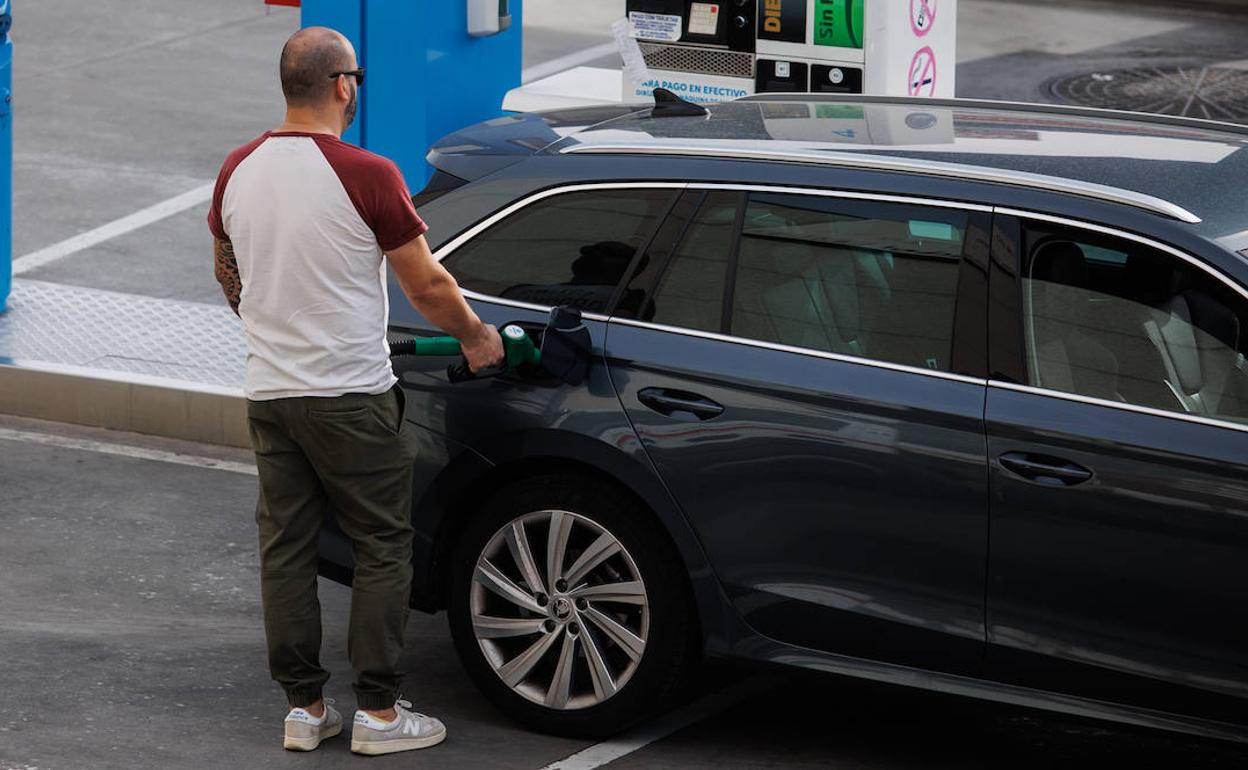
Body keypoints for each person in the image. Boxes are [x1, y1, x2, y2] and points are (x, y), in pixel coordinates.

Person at [207, 25, 503, 756]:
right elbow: (427, 283)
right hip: (349, 394)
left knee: (285, 548)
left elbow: (226, 269)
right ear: (342, 85)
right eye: (357, 80)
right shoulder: (367, 173)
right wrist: (476, 336)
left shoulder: (237, 168)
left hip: (270, 392)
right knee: (380, 544)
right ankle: (376, 711)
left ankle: (304, 709)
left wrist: (270, 325)